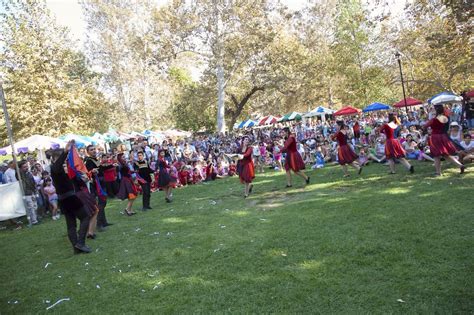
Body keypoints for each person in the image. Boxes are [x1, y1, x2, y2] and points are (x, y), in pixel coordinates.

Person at [49, 141, 91, 254]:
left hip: (65, 199)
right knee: (85, 217)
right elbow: (57, 167)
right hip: (69, 199)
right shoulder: (54, 168)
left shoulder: (60, 169)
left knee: (71, 224)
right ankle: (80, 243)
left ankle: (76, 248)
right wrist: (65, 152)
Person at [424, 105, 465, 176]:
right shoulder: (446, 118)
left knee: (436, 156)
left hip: (435, 137)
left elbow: (425, 126)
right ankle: (460, 165)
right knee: (445, 155)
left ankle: (438, 172)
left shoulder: (434, 119)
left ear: (436, 110)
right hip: (443, 136)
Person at [84, 145, 112, 231]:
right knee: (100, 204)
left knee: (103, 203)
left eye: (94, 149)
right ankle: (99, 224)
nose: (94, 151)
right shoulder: (88, 161)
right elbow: (87, 173)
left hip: (102, 182)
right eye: (91, 150)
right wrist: (92, 171)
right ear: (88, 152)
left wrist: (111, 165)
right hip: (96, 184)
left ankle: (104, 221)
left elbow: (101, 168)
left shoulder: (95, 159)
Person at [17, 160, 39, 226]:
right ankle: (34, 221)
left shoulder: (29, 173)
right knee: (31, 207)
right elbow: (17, 171)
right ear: (20, 168)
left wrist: (35, 190)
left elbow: (33, 182)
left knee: (35, 206)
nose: (26, 167)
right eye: (24, 167)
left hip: (32, 191)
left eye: (26, 166)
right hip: (26, 193)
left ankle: (35, 218)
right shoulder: (20, 173)